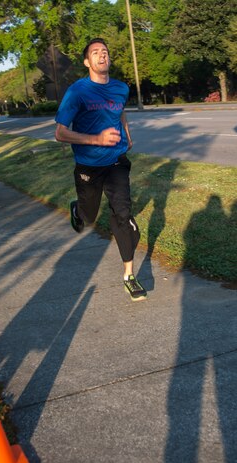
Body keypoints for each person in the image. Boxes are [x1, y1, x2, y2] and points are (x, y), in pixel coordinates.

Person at [55, 38, 147, 302]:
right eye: (95, 53)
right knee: (90, 215)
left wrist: (127, 135)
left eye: (105, 51)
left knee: (123, 215)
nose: (102, 55)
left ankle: (129, 276)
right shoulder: (77, 92)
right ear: (87, 62)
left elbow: (119, 113)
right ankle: (78, 210)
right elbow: (60, 133)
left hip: (116, 161)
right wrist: (95, 139)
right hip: (88, 165)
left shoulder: (120, 88)